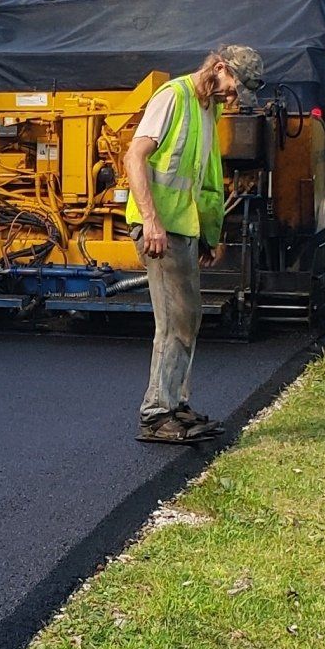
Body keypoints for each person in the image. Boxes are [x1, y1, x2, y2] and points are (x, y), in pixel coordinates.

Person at [124, 44, 264, 445]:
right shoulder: (173, 96)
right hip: (159, 228)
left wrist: (207, 232)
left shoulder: (208, 108)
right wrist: (152, 220)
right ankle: (156, 415)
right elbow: (135, 158)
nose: (233, 98)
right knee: (174, 321)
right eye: (233, 88)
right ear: (219, 68)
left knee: (189, 318)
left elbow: (201, 177)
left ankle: (176, 404)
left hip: (181, 227)